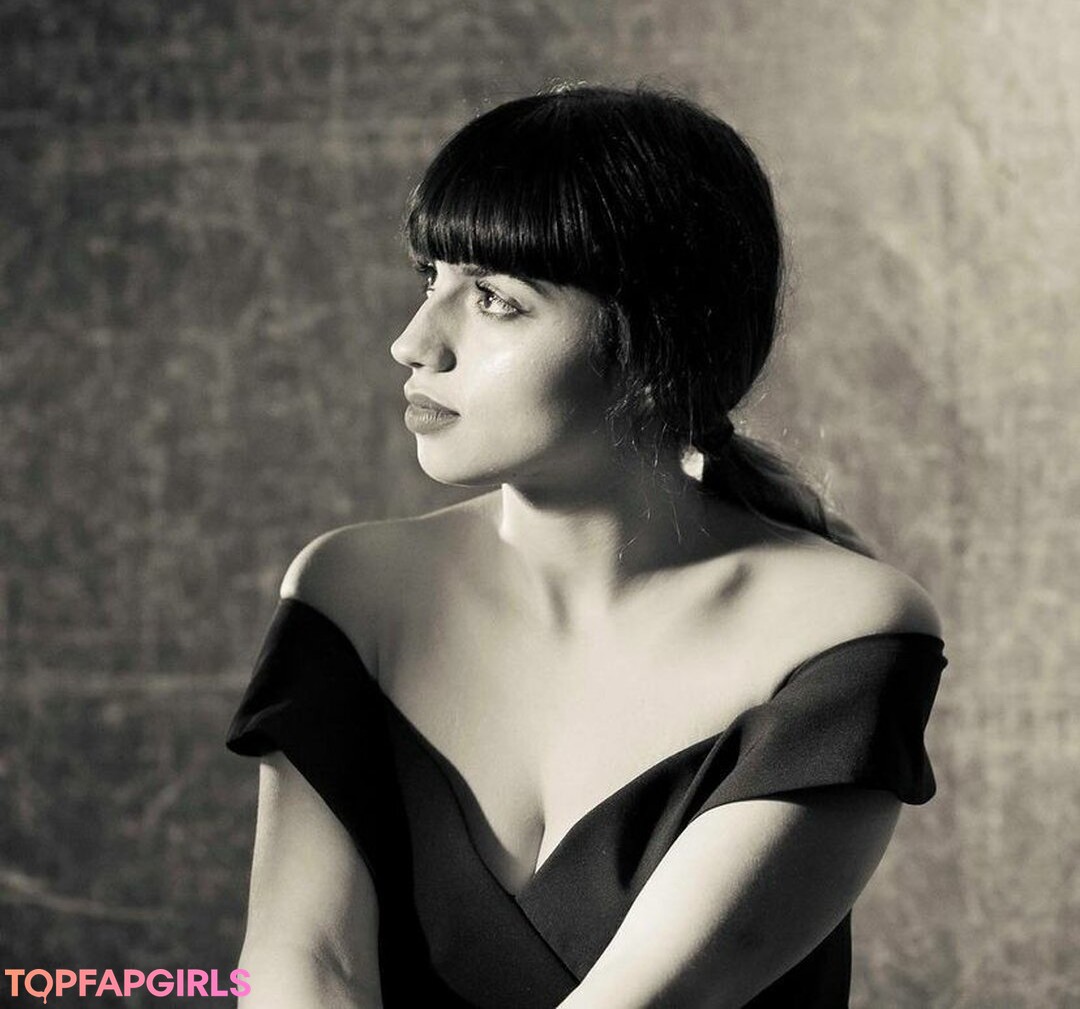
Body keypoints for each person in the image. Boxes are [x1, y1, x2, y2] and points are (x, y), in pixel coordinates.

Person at [226, 84, 947, 1008]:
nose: (414, 343)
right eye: (430, 279)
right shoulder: (352, 592)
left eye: (494, 298)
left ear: (656, 338)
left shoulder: (844, 635)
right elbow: (300, 965)